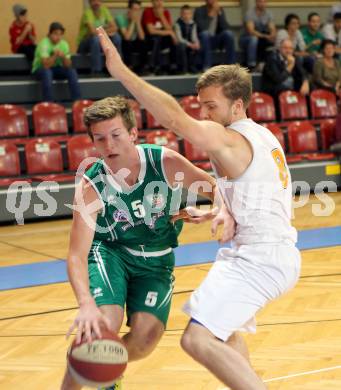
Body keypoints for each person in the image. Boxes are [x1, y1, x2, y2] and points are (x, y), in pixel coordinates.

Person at [96, 26, 301, 390]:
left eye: (211, 106)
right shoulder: (263, 136)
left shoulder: (231, 136)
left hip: (260, 258)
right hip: (269, 252)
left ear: (237, 106)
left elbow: (175, 121)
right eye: (201, 104)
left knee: (197, 339)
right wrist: (223, 209)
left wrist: (121, 72)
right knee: (225, 333)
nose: (203, 113)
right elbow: (250, 189)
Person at [60, 96, 229, 390]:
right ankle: (89, 365)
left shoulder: (164, 162)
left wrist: (219, 210)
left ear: (133, 134)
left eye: (116, 135)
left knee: (145, 339)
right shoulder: (91, 186)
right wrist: (85, 303)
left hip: (157, 257)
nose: (109, 145)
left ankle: (105, 364)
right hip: (111, 251)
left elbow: (214, 187)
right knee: (101, 325)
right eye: (100, 139)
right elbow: (76, 255)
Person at [32, 22, 81, 102]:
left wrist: (63, 57)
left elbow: (68, 65)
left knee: (72, 71)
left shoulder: (64, 44)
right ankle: (49, 104)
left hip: (56, 69)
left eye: (60, 34)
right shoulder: (44, 43)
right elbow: (45, 66)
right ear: (49, 34)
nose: (58, 37)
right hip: (39, 69)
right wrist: (55, 56)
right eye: (55, 34)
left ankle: (77, 102)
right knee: (47, 72)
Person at [77, 0, 122, 75]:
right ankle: (97, 70)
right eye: (94, 1)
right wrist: (107, 30)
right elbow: (92, 32)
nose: (96, 3)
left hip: (100, 39)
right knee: (96, 39)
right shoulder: (87, 13)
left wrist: (103, 31)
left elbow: (115, 27)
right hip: (84, 43)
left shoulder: (104, 10)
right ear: (90, 3)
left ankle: (117, 67)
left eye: (98, 0)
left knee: (117, 37)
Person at [142, 0, 183, 74]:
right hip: (150, 38)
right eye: (156, 1)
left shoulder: (166, 12)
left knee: (171, 39)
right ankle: (154, 66)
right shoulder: (148, 11)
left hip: (163, 37)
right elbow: (151, 31)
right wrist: (170, 33)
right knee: (157, 38)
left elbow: (169, 28)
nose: (159, 3)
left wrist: (162, 16)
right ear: (152, 2)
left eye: (161, 0)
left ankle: (173, 65)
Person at [194, 0, 236, 70]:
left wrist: (219, 13)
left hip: (217, 39)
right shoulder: (199, 10)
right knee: (205, 34)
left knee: (229, 34)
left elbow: (226, 27)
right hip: (204, 40)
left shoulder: (220, 9)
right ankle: (207, 66)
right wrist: (211, 14)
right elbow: (202, 28)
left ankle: (231, 66)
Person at [239, 0, 276, 70]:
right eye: (260, 2)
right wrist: (266, 36)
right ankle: (251, 65)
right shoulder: (250, 13)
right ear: (256, 2)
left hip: (261, 38)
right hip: (246, 39)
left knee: (274, 40)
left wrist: (272, 35)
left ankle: (268, 66)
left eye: (264, 2)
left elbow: (272, 27)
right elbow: (251, 31)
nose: (262, 4)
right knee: (254, 39)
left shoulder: (268, 13)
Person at [116, 0, 149, 75]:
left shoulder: (139, 19)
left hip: (134, 42)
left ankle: (142, 67)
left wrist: (137, 22)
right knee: (127, 43)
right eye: (135, 9)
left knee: (144, 43)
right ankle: (128, 67)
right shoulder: (120, 18)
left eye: (138, 10)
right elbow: (127, 37)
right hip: (124, 44)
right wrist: (133, 21)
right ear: (129, 9)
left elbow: (142, 37)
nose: (136, 12)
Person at [174, 4, 201, 73]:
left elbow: (194, 36)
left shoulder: (193, 23)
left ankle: (192, 66)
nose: (186, 16)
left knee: (198, 47)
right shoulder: (178, 24)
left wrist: (196, 43)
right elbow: (180, 38)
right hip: (180, 43)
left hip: (189, 43)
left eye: (188, 14)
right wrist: (190, 44)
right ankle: (184, 68)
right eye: (184, 14)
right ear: (181, 14)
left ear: (191, 15)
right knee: (182, 47)